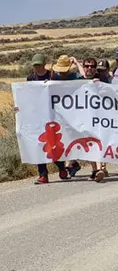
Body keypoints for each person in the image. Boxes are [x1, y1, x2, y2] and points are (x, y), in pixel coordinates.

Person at [26, 54, 69, 185]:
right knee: (39, 144)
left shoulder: (52, 76)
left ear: (44, 64)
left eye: (39, 65)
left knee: (52, 144)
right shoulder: (30, 78)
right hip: (36, 116)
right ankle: (43, 175)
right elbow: (27, 95)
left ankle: (62, 168)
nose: (37, 67)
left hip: (52, 116)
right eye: (35, 65)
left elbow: (61, 92)